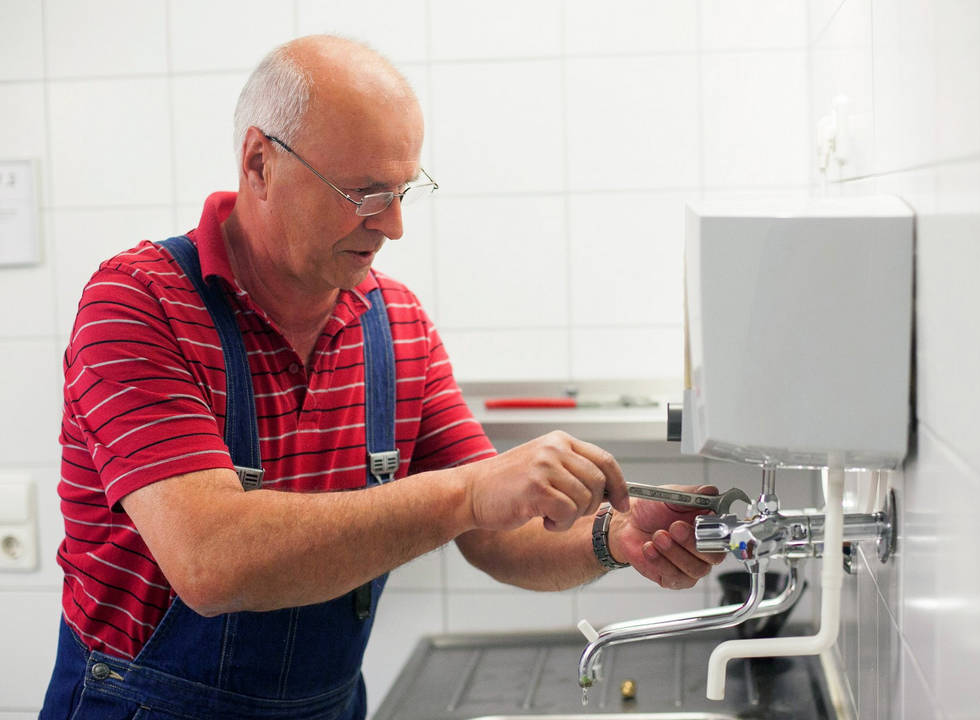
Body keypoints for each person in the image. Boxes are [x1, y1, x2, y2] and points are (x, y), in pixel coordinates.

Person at [40, 35, 724, 720]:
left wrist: (616, 537)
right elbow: (212, 560)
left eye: (402, 191)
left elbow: (499, 532)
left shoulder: (395, 323)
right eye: (364, 193)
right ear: (258, 162)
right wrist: (468, 492)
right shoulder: (138, 304)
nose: (393, 225)